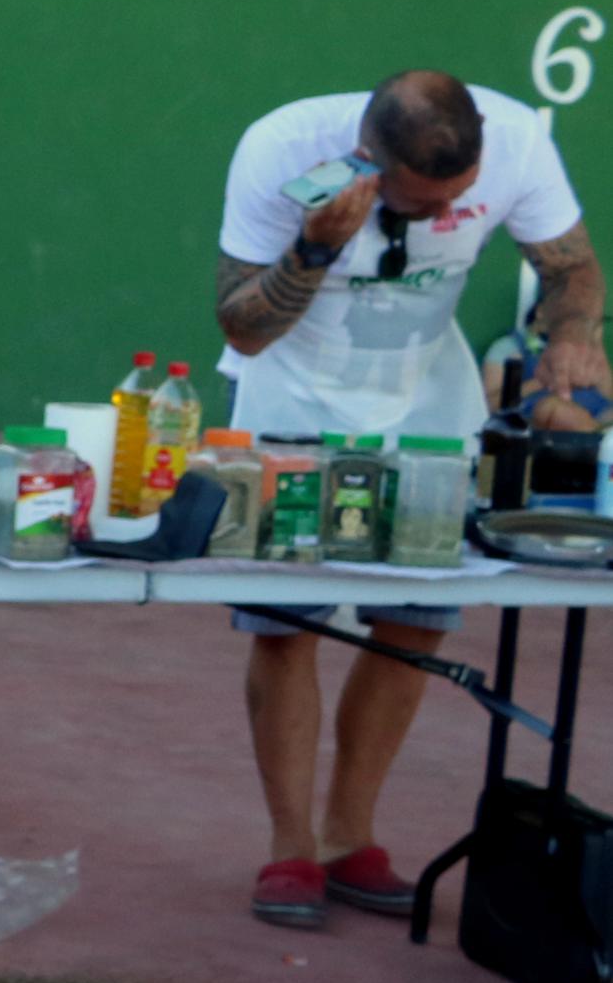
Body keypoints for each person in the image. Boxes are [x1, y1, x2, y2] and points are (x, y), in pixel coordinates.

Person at [213, 70, 598, 925]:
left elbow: (569, 269)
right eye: (416, 202)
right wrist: (312, 247)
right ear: (366, 156)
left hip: (428, 396)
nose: (436, 216)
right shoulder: (280, 145)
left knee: (418, 617)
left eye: (454, 200)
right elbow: (239, 324)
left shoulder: (517, 140)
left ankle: (350, 836)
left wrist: (570, 338)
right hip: (294, 397)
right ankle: (290, 850)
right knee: (286, 624)